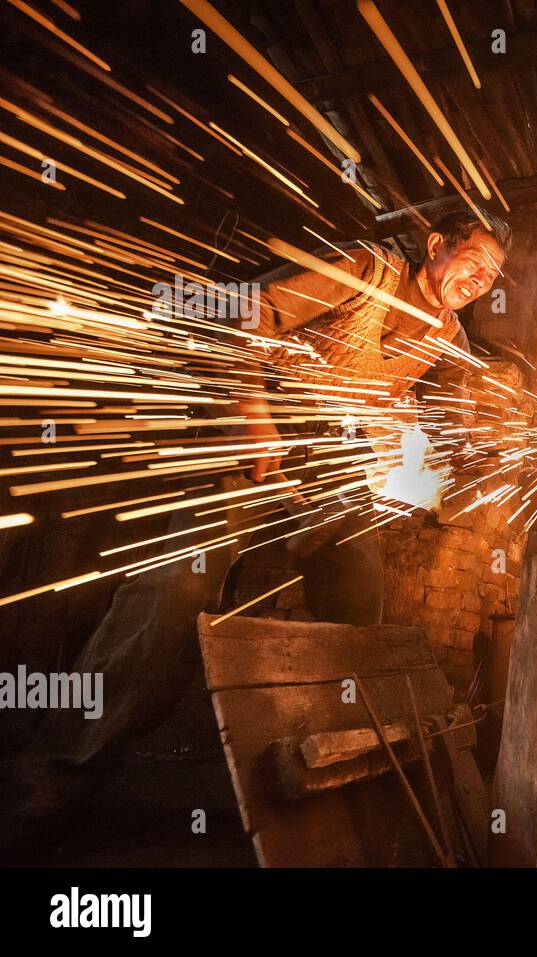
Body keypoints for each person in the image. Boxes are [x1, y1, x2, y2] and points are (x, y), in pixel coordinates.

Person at [0, 206, 510, 861]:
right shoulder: (365, 266)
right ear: (437, 245)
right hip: (254, 435)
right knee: (179, 593)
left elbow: (458, 416)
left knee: (358, 611)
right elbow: (249, 310)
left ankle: (325, 783)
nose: (481, 279)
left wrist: (481, 446)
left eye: (493, 276)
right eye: (474, 260)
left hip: (332, 472)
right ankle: (59, 766)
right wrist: (251, 411)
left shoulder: (449, 335)